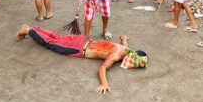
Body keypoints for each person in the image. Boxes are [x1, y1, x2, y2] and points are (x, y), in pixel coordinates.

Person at [16, 24, 148, 94]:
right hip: (79, 48)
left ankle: (32, 28)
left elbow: (124, 41)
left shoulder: (124, 48)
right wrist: (104, 83)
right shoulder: (117, 55)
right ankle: (28, 30)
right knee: (51, 43)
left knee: (57, 37)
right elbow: (102, 68)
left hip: (84, 40)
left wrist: (124, 37)